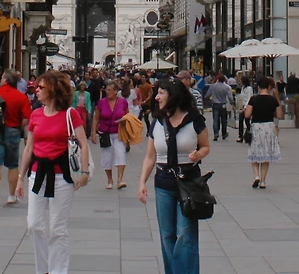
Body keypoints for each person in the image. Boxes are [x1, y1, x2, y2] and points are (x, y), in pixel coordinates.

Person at [16, 70, 90, 274]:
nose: (36, 90)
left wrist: (84, 172)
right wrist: (20, 178)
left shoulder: (70, 114)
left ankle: (57, 271)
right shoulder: (36, 114)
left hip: (61, 175)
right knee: (33, 225)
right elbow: (29, 148)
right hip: (37, 174)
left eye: (41, 87)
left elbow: (83, 144)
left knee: (57, 228)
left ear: (53, 90)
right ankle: (43, 269)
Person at [138, 77, 210, 274]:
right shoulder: (157, 122)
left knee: (185, 234)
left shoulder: (194, 120)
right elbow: (150, 156)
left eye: (161, 93)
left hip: (189, 184)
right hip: (163, 183)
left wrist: (199, 154)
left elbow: (205, 146)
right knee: (167, 235)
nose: (157, 97)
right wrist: (142, 182)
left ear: (174, 95)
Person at [0, 69, 32, 207]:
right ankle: (11, 196)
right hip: (13, 130)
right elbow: (27, 117)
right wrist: (18, 127)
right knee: (13, 165)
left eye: (2, 77)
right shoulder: (21, 97)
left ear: (6, 80)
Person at [92, 79, 130, 189]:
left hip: (119, 132)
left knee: (120, 154)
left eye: (109, 90)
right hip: (105, 133)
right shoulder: (102, 102)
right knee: (107, 157)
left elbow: (128, 117)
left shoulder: (123, 102)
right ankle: (109, 180)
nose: (107, 92)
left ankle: (120, 180)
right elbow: (96, 118)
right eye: (106, 90)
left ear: (116, 91)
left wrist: (126, 128)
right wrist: (93, 133)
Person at [245, 75, 282, 189]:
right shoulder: (273, 100)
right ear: (269, 86)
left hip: (256, 127)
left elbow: (247, 115)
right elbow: (279, 115)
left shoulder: (254, 99)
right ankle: (263, 181)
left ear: (258, 87)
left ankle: (256, 176)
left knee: (254, 152)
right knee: (266, 155)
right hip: (269, 127)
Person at [204, 75, 232, 142]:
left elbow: (207, 95)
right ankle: (224, 133)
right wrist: (232, 103)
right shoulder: (226, 87)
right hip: (223, 105)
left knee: (215, 120)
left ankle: (216, 133)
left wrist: (208, 100)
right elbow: (230, 97)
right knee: (224, 120)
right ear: (224, 80)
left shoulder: (213, 86)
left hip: (215, 104)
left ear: (218, 79)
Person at [235, 74, 254, 143]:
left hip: (248, 107)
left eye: (241, 80)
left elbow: (249, 98)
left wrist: (245, 108)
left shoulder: (249, 89)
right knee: (241, 120)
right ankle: (240, 136)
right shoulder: (243, 88)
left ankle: (249, 134)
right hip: (243, 106)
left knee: (247, 121)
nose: (240, 82)